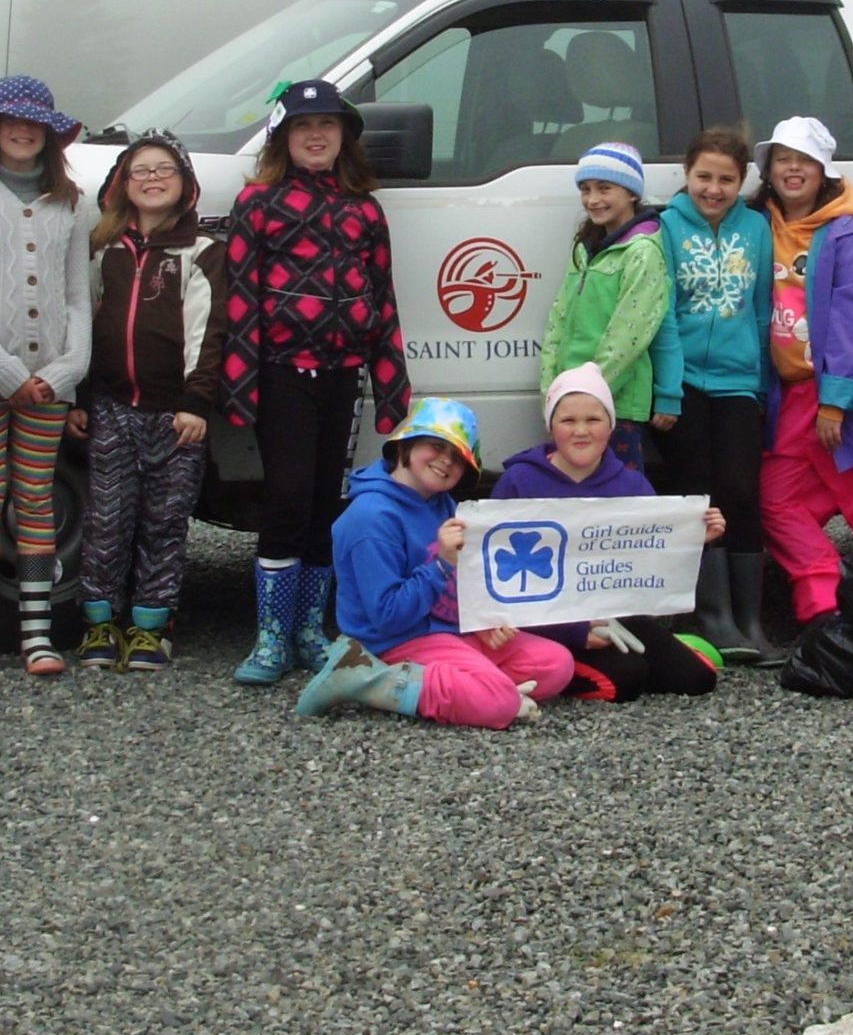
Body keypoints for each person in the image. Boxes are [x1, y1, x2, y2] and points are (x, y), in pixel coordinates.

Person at [220, 79, 412, 684]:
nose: (316, 135)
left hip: (342, 376)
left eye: (328, 126)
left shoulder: (364, 209)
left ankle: (309, 629)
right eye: (304, 127)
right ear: (283, 136)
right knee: (287, 499)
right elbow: (241, 299)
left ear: (344, 138)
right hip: (283, 376)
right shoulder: (259, 202)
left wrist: (391, 389)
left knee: (327, 503)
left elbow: (382, 301)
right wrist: (239, 387)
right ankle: (271, 635)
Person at [295, 399, 576, 729]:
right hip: (396, 643)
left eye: (458, 457)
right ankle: (369, 677)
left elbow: (463, 584)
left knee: (556, 665)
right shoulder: (370, 518)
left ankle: (475, 689)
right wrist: (441, 564)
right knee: (499, 703)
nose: (446, 461)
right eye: (436, 445)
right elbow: (387, 618)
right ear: (407, 445)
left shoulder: (442, 503)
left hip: (448, 631)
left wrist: (482, 623)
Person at [752, 115, 853, 665]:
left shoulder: (845, 233)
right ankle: (824, 605)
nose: (792, 170)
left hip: (844, 399)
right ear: (768, 170)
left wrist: (837, 400)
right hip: (787, 397)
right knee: (776, 501)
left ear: (823, 171)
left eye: (803, 160)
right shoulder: (757, 226)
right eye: (783, 160)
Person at [0, 74, 93, 679]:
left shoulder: (74, 203)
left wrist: (68, 369)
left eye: (35, 122)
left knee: (35, 500)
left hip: (48, 383)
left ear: (50, 132)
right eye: (12, 120)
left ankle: (38, 637)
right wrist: (4, 371)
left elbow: (80, 295)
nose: (23, 130)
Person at [72, 130, 229, 672]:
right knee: (107, 519)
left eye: (165, 169)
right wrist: (81, 397)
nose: (153, 179)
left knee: (165, 522)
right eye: (140, 170)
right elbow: (84, 326)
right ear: (121, 184)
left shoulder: (202, 252)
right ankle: (97, 624)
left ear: (185, 185)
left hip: (175, 414)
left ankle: (150, 628)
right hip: (112, 406)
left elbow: (208, 334)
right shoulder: (102, 250)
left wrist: (196, 402)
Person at [489, 363, 724, 700]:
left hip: (618, 613)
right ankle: (538, 670)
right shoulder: (519, 481)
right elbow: (496, 582)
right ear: (550, 427)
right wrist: (574, 632)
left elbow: (657, 563)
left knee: (698, 680)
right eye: (567, 420)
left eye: (593, 420)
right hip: (547, 624)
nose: (580, 431)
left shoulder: (631, 483)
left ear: (611, 427)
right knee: (626, 681)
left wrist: (692, 541)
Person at [653, 127, 775, 662]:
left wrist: (761, 379)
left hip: (739, 379)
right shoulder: (666, 228)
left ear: (742, 181)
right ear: (686, 174)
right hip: (685, 384)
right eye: (704, 176)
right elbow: (663, 315)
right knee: (697, 488)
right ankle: (714, 615)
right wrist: (668, 390)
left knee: (742, 489)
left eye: (727, 179)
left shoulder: (757, 228)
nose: (714, 188)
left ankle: (752, 619)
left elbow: (762, 307)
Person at [538, 141, 683, 471]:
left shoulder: (643, 251)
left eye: (605, 188)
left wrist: (588, 396)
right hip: (570, 402)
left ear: (631, 193)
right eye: (586, 189)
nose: (592, 199)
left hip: (614, 403)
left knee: (617, 495)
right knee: (572, 489)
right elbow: (559, 318)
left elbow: (629, 337)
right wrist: (552, 387)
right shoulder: (585, 247)